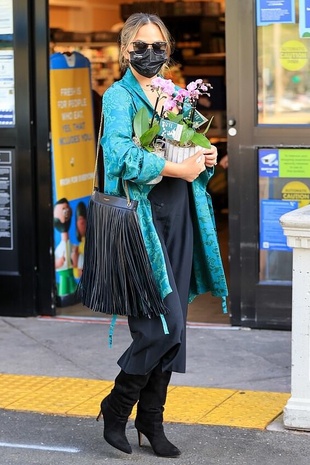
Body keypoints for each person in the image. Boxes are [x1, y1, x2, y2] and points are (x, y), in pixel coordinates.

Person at [97, 12, 228, 458]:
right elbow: (119, 157)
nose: (150, 54)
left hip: (179, 220)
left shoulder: (173, 94)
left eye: (158, 46)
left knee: (176, 330)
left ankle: (151, 422)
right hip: (142, 223)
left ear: (167, 50)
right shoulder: (118, 97)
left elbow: (190, 144)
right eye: (141, 46)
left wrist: (205, 156)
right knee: (159, 328)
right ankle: (117, 409)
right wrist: (178, 166)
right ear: (125, 51)